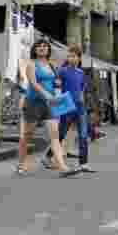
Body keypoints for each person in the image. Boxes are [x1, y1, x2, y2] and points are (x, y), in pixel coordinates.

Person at [15, 38, 70, 175]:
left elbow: (56, 83)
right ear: (34, 49)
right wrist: (47, 94)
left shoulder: (52, 66)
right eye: (39, 46)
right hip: (33, 103)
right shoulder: (31, 65)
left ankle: (63, 167)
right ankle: (21, 164)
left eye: (45, 46)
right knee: (27, 135)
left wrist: (58, 96)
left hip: (49, 104)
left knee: (54, 136)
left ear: (48, 50)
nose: (42, 48)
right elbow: (34, 84)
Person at [42, 44, 93, 173]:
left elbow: (81, 88)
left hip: (80, 108)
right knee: (61, 134)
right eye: (69, 56)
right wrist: (57, 106)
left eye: (74, 56)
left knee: (83, 135)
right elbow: (56, 87)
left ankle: (84, 163)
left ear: (79, 58)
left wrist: (82, 98)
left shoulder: (81, 73)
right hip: (67, 107)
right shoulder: (62, 71)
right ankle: (48, 156)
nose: (71, 58)